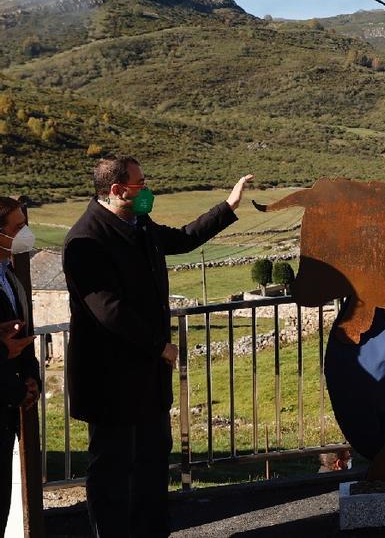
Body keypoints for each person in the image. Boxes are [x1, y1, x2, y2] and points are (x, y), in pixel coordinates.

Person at [62, 158, 253, 536]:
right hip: (111, 380)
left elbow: (181, 239)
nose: (147, 189)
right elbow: (108, 310)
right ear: (117, 190)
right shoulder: (86, 240)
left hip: (147, 378)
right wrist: (159, 347)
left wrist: (227, 207)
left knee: (152, 460)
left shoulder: (140, 224)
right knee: (112, 468)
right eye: (141, 183)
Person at [0, 198, 41, 528]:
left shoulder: (9, 275)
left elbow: (22, 331)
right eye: (17, 228)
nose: (25, 233)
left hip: (9, 405)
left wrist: (31, 379)